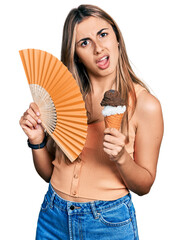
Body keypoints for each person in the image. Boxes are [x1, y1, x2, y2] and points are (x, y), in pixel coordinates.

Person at [19, 4, 164, 240]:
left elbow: (144, 185)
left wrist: (121, 158)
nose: (98, 48)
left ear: (117, 37)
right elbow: (49, 174)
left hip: (108, 223)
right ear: (75, 53)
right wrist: (37, 142)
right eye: (84, 42)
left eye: (103, 34)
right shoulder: (63, 98)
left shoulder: (145, 105)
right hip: (53, 217)